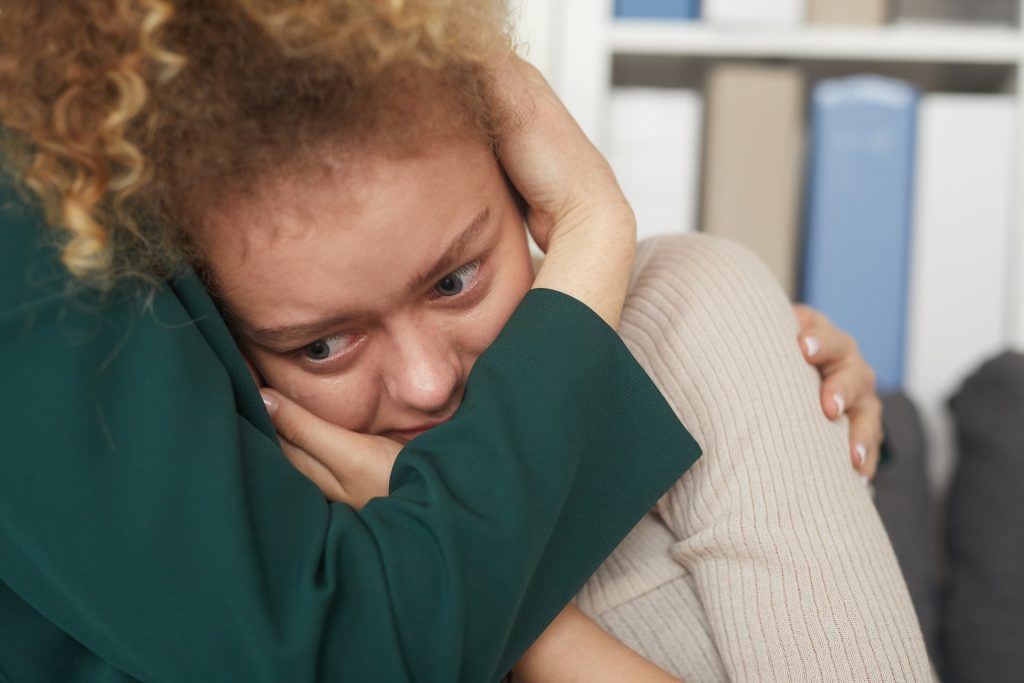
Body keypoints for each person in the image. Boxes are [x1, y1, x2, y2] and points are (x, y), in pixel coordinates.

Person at [0, 1, 927, 680]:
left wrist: (601, 228)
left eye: (455, 279)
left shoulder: (689, 311)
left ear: (526, 181)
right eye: (322, 345)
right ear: (227, 355)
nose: (428, 381)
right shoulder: (260, 540)